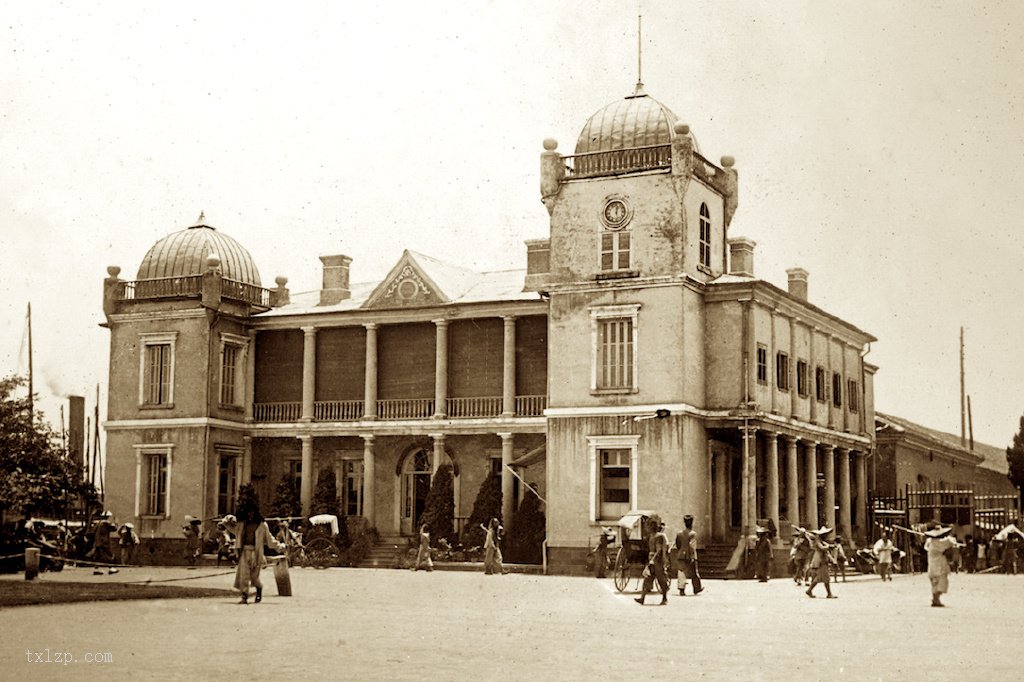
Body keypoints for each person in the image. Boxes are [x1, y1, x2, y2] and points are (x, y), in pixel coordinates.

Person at [231, 494, 285, 605]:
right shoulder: (242, 525)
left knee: (254, 578)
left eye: (252, 512)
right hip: (244, 552)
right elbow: (230, 527)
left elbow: (270, 540)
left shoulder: (262, 526)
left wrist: (280, 547)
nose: (250, 514)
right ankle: (244, 596)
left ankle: (259, 589)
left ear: (256, 513)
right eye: (248, 512)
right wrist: (228, 519)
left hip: (256, 554)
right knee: (244, 576)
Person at [636, 516, 671, 605]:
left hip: (657, 561)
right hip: (652, 560)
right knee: (647, 579)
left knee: (661, 580)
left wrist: (653, 560)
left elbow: (659, 550)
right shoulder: (651, 536)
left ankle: (664, 598)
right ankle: (642, 598)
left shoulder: (659, 536)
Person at [924, 525, 960, 607]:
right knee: (941, 583)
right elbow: (952, 543)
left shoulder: (930, 541)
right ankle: (936, 599)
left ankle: (935, 599)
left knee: (934, 583)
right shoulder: (941, 542)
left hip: (932, 565)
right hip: (940, 565)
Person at [674, 514, 704, 596]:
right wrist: (692, 556)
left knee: (681, 572)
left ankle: (681, 589)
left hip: (681, 555)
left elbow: (677, 544)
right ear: (691, 523)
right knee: (694, 572)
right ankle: (697, 588)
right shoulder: (693, 534)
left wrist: (681, 551)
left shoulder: (679, 533)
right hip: (690, 555)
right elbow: (692, 546)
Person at [804, 527, 836, 599]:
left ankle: (809, 590)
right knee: (826, 578)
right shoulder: (817, 541)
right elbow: (822, 548)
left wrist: (831, 546)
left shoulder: (821, 541)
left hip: (822, 560)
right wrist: (828, 546)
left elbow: (826, 546)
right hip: (821, 561)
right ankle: (829, 594)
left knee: (818, 578)